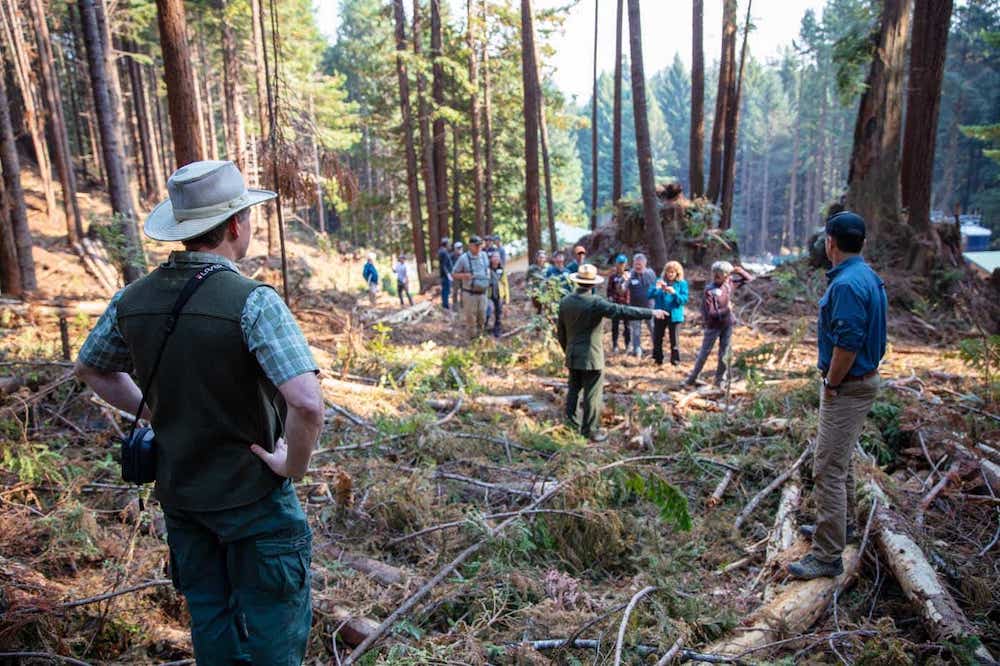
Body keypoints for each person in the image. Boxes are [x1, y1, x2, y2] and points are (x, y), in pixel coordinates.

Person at [74, 160, 324, 664]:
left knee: (211, 620)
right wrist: (292, 465)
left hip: (183, 496)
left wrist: (155, 414)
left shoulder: (132, 300)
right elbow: (306, 401)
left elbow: (92, 370)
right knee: (274, 630)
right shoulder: (253, 301)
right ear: (235, 225)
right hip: (255, 498)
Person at [788, 211, 886, 580]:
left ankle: (827, 556)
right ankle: (840, 529)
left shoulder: (846, 285)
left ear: (830, 242)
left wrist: (831, 382)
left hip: (848, 385)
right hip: (859, 381)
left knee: (827, 468)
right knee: (838, 460)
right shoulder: (866, 276)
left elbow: (847, 342)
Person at [557, 264, 667, 442]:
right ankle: (589, 431)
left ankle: (570, 427)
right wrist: (651, 312)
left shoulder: (566, 301)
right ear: (593, 284)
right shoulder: (595, 302)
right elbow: (622, 311)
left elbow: (560, 333)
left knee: (573, 391)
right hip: (591, 356)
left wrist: (568, 350)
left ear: (577, 282)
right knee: (592, 394)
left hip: (572, 355)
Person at [683, 261, 754, 387]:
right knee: (704, 353)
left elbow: (749, 279)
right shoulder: (709, 291)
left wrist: (739, 271)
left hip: (727, 325)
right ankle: (692, 378)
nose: (716, 276)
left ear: (726, 276)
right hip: (713, 326)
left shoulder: (729, 284)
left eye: (720, 274)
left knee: (724, 353)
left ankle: (720, 380)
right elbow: (711, 313)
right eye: (714, 273)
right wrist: (727, 309)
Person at [648, 261, 689, 366]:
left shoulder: (682, 284)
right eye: (668, 272)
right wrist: (656, 288)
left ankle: (675, 361)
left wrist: (674, 293)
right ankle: (657, 359)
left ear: (677, 273)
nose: (670, 274)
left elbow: (684, 300)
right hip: (660, 313)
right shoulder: (660, 281)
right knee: (657, 337)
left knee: (674, 340)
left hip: (675, 315)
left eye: (672, 272)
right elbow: (649, 295)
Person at [452, 235, 491, 339]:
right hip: (469, 294)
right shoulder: (463, 258)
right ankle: (472, 342)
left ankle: (480, 339)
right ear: (470, 246)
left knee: (482, 318)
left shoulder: (484, 256)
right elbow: (454, 274)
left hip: (483, 293)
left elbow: (487, 269)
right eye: (476, 246)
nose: (479, 248)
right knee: (471, 319)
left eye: (480, 245)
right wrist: (465, 276)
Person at [625, 253, 657, 358]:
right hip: (635, 307)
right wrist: (624, 280)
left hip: (649, 307)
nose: (637, 266)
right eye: (636, 264)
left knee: (653, 328)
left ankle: (657, 349)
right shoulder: (630, 274)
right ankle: (637, 351)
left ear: (645, 264)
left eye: (640, 264)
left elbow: (656, 288)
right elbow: (622, 290)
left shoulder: (651, 273)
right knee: (636, 330)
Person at [606, 254, 632, 353]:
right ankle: (615, 344)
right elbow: (609, 289)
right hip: (616, 303)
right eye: (619, 263)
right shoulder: (613, 277)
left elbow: (631, 288)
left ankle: (628, 344)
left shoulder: (628, 275)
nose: (621, 265)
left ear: (625, 264)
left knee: (627, 325)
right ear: (616, 264)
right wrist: (610, 297)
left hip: (626, 303)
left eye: (623, 263)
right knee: (615, 325)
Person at [486, 251, 509, 337]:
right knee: (488, 310)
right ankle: (484, 327)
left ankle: (497, 331)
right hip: (489, 294)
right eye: (494, 257)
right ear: (491, 259)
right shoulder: (487, 269)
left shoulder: (502, 270)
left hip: (499, 295)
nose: (496, 258)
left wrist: (506, 298)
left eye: (498, 257)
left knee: (498, 314)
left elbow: (505, 284)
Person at [438, 238, 454, 310]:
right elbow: (443, 265)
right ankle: (445, 305)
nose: (450, 245)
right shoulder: (443, 252)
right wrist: (448, 274)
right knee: (446, 290)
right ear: (446, 244)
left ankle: (445, 304)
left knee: (446, 290)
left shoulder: (443, 251)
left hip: (445, 275)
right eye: (449, 243)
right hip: (445, 275)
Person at [451, 241, 464, 308]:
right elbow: (450, 266)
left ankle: (462, 305)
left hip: (463, 276)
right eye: (458, 248)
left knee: (463, 291)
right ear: (455, 248)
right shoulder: (452, 256)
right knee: (455, 291)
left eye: (461, 247)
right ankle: (455, 305)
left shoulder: (464, 256)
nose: (460, 249)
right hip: (455, 276)